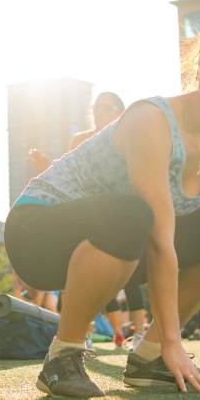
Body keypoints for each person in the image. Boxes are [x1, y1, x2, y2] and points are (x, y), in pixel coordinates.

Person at [5, 10, 200, 397]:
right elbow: (160, 239)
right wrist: (177, 341)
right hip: (37, 232)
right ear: (198, 67)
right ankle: (62, 356)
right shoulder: (152, 119)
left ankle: (150, 357)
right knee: (135, 216)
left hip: (119, 238)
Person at [30, 92, 149, 344]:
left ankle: (139, 334)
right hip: (87, 212)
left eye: (106, 108)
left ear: (120, 113)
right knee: (77, 273)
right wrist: (44, 169)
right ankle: (77, 335)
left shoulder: (129, 139)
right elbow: (66, 174)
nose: (99, 112)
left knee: (131, 274)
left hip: (120, 213)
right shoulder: (80, 139)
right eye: (97, 107)